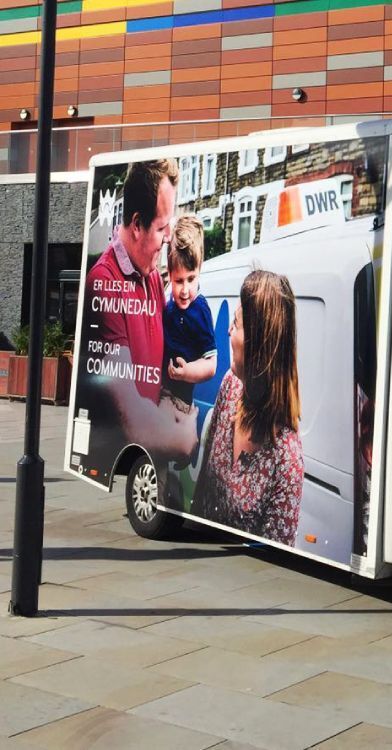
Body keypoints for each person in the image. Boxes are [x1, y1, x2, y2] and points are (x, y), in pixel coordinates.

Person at [84, 159, 197, 463]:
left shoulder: (150, 277)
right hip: (118, 455)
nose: (168, 237)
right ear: (136, 225)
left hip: (149, 456)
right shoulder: (104, 281)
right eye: (162, 227)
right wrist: (184, 437)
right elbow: (132, 418)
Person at [194, 270, 304, 546]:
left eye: (236, 323)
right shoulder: (230, 387)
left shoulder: (286, 460)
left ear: (259, 344)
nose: (229, 330)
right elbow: (202, 485)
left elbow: (273, 559)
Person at [162, 214, 217, 409]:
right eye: (179, 281)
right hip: (160, 393)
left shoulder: (200, 310)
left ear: (200, 270)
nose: (185, 290)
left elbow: (211, 364)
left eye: (191, 279)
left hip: (180, 403)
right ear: (169, 274)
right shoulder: (169, 303)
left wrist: (187, 372)